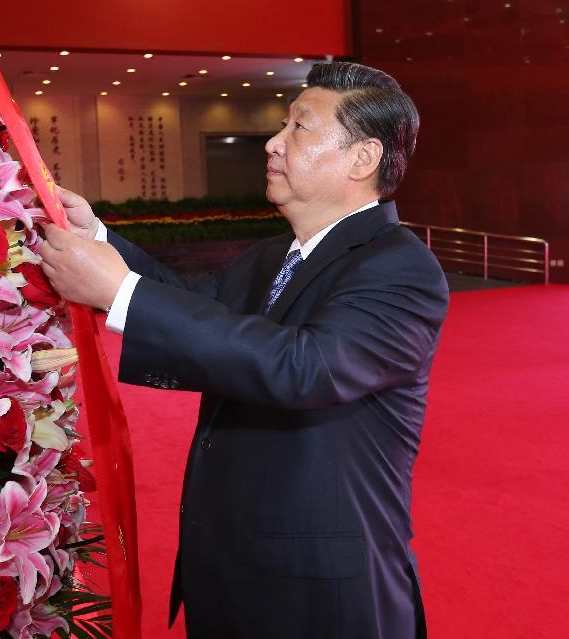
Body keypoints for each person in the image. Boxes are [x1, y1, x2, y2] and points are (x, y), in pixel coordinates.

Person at [40, 61, 449, 639]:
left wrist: (118, 290)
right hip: (229, 566)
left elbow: (307, 367)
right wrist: (98, 239)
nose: (274, 144)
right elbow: (195, 310)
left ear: (363, 158)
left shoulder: (400, 267)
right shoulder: (271, 256)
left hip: (319, 588)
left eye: (299, 128)